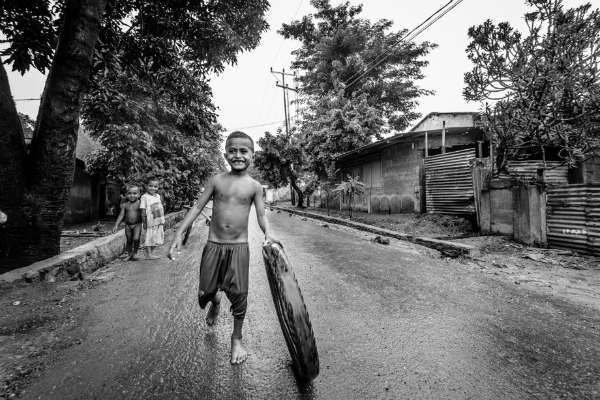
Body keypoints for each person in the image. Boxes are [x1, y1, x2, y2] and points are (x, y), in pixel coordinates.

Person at [168, 131, 274, 365]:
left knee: (239, 295)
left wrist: (269, 233)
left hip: (239, 248)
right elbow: (197, 208)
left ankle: (237, 339)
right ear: (225, 153)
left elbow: (261, 215)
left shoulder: (255, 187)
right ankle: (215, 302)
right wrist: (178, 233)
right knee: (204, 291)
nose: (238, 155)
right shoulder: (216, 181)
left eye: (243, 151)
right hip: (214, 245)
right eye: (233, 150)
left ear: (252, 155)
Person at [112, 185, 142, 260]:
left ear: (139, 195)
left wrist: (146, 222)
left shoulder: (140, 203)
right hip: (128, 225)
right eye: (129, 193)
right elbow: (121, 215)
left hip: (137, 224)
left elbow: (144, 213)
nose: (132, 195)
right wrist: (116, 225)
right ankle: (129, 254)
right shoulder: (125, 205)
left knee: (136, 238)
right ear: (126, 195)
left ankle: (135, 253)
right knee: (129, 240)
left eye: (135, 193)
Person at [140, 179, 165, 260]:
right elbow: (143, 210)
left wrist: (162, 219)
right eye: (150, 186)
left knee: (156, 237)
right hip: (150, 221)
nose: (153, 188)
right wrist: (144, 221)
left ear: (158, 188)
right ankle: (149, 254)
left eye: (155, 186)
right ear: (147, 186)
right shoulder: (144, 197)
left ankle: (149, 253)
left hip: (158, 220)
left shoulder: (158, 196)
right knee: (149, 236)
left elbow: (159, 207)